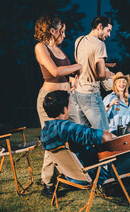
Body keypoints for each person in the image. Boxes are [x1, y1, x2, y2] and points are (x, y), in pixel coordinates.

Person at [40, 90, 130, 193]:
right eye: (69, 105)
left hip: (73, 176)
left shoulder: (45, 132)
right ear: (63, 109)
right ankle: (121, 188)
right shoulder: (67, 127)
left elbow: (79, 136)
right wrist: (105, 134)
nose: (70, 108)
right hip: (96, 173)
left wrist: (87, 131)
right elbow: (105, 137)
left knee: (121, 154)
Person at [34, 13, 82, 196]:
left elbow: (65, 72)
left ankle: (69, 175)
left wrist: (73, 79)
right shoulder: (41, 47)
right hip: (49, 99)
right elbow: (54, 71)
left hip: (66, 97)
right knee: (53, 138)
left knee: (75, 132)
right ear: (51, 30)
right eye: (61, 30)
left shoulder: (60, 50)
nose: (64, 34)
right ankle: (48, 183)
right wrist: (78, 66)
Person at [72, 16, 115, 130]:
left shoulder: (79, 40)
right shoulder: (100, 45)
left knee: (84, 134)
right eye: (108, 30)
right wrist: (111, 75)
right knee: (104, 132)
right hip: (91, 94)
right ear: (100, 26)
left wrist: (104, 64)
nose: (109, 35)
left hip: (78, 93)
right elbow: (101, 75)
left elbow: (81, 64)